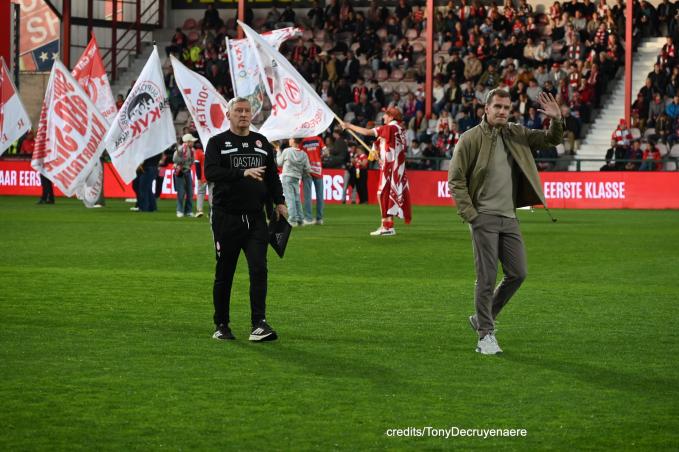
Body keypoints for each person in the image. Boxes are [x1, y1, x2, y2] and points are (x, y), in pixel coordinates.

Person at [448, 89, 563, 355]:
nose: (502, 111)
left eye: (506, 108)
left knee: (518, 273)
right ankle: (485, 336)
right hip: (483, 217)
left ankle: (482, 317)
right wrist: (472, 216)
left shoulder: (516, 133)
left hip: (510, 217)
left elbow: (551, 139)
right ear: (486, 109)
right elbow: (455, 180)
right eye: (497, 106)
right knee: (486, 277)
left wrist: (557, 119)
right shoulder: (470, 138)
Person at [204, 97, 287, 342]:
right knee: (225, 272)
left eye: (247, 111)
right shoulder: (217, 143)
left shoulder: (262, 143)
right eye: (238, 110)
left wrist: (280, 202)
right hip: (226, 218)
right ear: (228, 115)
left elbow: (272, 177)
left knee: (259, 269)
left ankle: (259, 323)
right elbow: (210, 172)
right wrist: (242, 172)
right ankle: (221, 324)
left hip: (256, 218)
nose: (243, 114)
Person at [341, 106, 412, 236]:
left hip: (390, 167)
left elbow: (367, 132)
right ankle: (386, 224)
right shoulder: (399, 129)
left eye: (385, 115)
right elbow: (385, 143)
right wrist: (377, 150)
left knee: (382, 194)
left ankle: (387, 226)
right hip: (395, 167)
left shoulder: (390, 128)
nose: (383, 117)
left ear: (391, 116)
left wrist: (349, 125)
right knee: (385, 194)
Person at [276, 138, 311, 226]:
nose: (289, 140)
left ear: (294, 141)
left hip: (287, 176)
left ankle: (292, 219)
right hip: (296, 177)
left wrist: (278, 152)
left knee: (290, 198)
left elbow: (279, 163)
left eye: (291, 139)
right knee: (296, 198)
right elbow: (307, 168)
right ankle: (300, 219)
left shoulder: (287, 151)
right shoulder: (304, 154)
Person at [300, 135, 326, 225]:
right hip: (317, 168)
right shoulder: (319, 139)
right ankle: (319, 219)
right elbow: (326, 152)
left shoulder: (303, 141)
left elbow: (300, 154)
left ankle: (308, 218)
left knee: (307, 195)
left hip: (307, 169)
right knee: (320, 195)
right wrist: (320, 156)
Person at [173, 134, 196, 218]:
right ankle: (179, 210)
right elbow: (175, 160)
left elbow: (192, 161)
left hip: (187, 171)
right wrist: (180, 158)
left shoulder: (192, 150)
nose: (193, 143)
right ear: (188, 142)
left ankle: (188, 211)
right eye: (192, 141)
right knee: (181, 192)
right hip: (180, 172)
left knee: (190, 192)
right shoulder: (180, 149)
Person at [193, 141, 208, 218]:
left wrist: (198, 178)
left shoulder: (198, 152)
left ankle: (199, 210)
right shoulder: (211, 150)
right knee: (212, 194)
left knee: (201, 193)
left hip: (203, 176)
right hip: (212, 175)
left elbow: (197, 165)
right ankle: (212, 211)